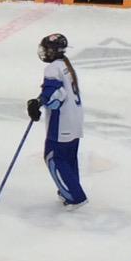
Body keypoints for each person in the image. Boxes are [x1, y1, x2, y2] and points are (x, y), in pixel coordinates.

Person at [28, 33, 87, 209]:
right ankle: (68, 190)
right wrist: (40, 101)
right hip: (75, 120)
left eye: (47, 49)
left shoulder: (52, 68)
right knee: (68, 158)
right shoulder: (65, 65)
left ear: (53, 51)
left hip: (61, 123)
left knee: (53, 157)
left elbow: (54, 96)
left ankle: (75, 196)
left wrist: (38, 103)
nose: (44, 52)